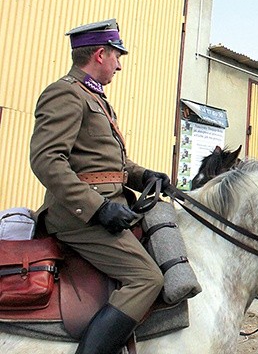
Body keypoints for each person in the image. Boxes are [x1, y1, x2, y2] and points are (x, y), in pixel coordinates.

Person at [30, 19, 171, 354]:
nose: (119, 65)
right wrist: (98, 207)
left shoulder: (96, 98)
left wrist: (144, 175)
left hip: (109, 205)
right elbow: (47, 160)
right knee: (147, 278)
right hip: (76, 216)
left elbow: (110, 165)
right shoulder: (64, 92)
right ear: (99, 54)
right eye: (116, 56)